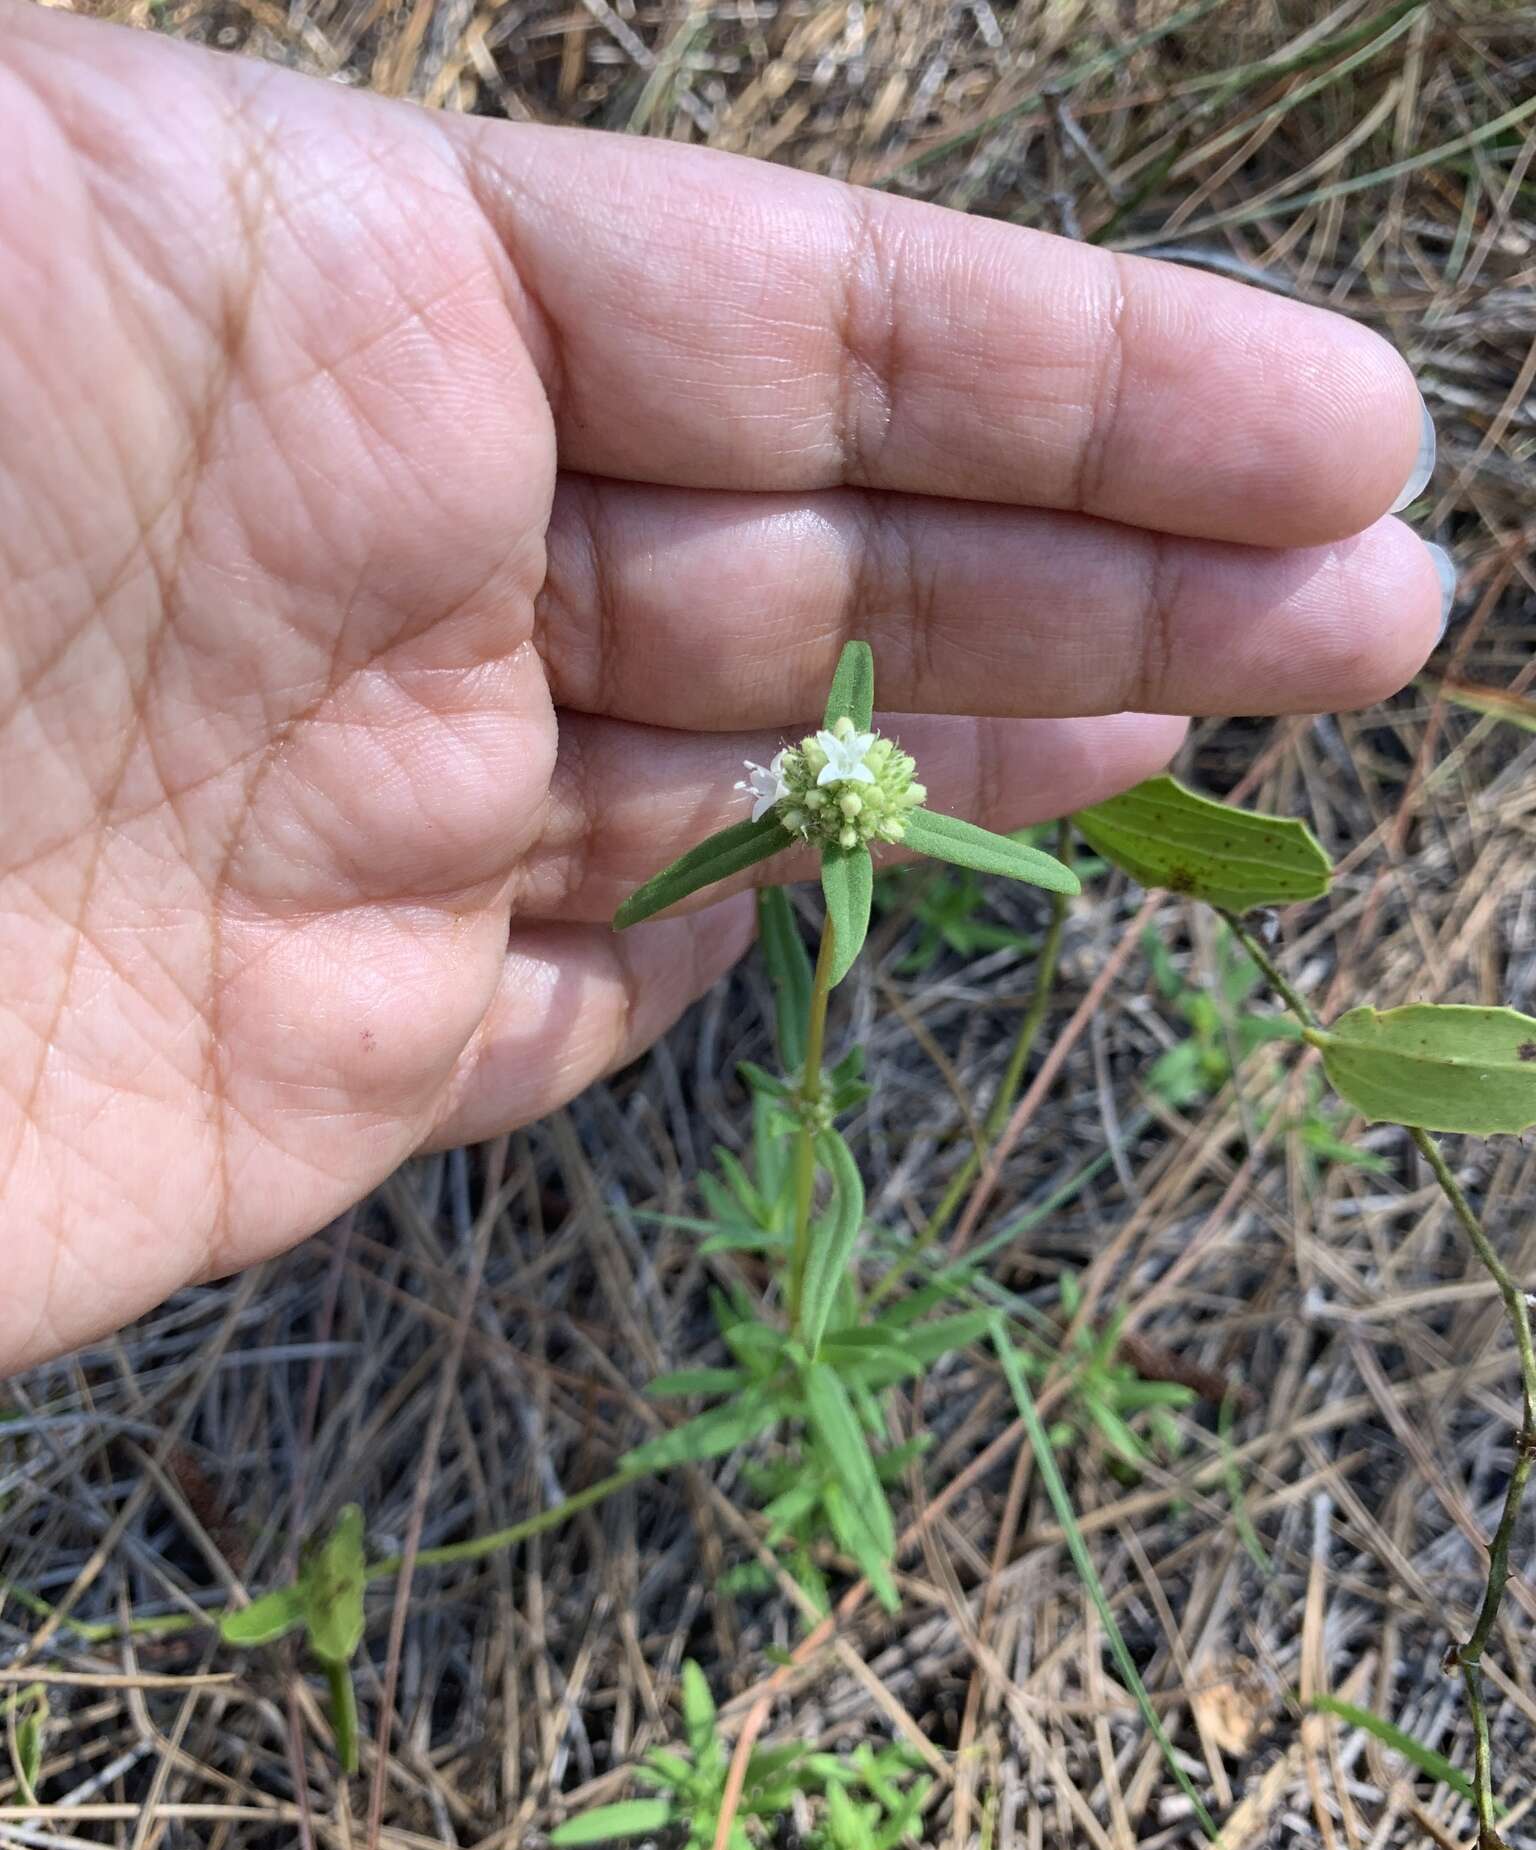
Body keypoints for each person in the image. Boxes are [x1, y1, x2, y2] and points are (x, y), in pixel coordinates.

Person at [0, 3, 1450, 1374]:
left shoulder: (849, 779)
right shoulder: (821, 779)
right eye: (840, 768)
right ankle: (796, 1354)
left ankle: (823, 1349)